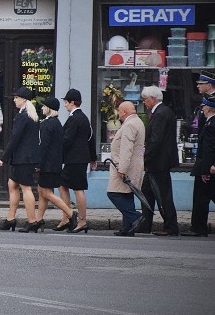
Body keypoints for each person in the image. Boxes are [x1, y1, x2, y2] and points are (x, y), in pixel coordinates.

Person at [136, 85, 179, 236]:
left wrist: (146, 158)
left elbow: (156, 140)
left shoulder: (160, 113)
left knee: (163, 195)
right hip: (157, 162)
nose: (144, 103)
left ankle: (171, 226)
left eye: (145, 99)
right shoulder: (162, 111)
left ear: (153, 99)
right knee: (146, 192)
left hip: (158, 162)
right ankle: (145, 223)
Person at [0, 87, 40, 231]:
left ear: (24, 100)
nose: (14, 100)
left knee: (26, 188)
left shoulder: (23, 116)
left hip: (23, 158)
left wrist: (4, 157)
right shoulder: (30, 115)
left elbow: (15, 139)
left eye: (16, 98)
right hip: (24, 157)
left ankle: (32, 221)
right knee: (12, 185)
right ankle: (10, 218)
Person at [34, 97, 77, 231]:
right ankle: (38, 219)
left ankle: (70, 213)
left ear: (48, 108)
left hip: (48, 164)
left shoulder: (47, 124)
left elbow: (43, 146)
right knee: (41, 191)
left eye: (43, 106)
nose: (41, 108)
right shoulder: (56, 123)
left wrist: (38, 163)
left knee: (46, 193)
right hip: (54, 163)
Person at [58, 88, 97, 233]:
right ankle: (68, 217)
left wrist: (56, 153)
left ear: (72, 102)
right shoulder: (84, 117)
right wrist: (93, 158)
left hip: (74, 159)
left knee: (77, 188)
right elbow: (91, 138)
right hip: (80, 159)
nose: (64, 105)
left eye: (66, 102)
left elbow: (67, 140)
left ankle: (80, 220)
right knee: (65, 185)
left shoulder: (75, 118)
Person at [106, 101, 146, 236]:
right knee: (127, 195)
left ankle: (135, 217)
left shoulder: (129, 125)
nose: (119, 115)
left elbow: (126, 149)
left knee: (113, 193)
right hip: (134, 166)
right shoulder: (138, 122)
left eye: (119, 112)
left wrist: (122, 169)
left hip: (125, 167)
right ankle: (128, 227)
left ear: (123, 112)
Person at [183, 93, 215, 237]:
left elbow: (209, 149)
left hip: (206, 168)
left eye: (203, 106)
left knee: (201, 199)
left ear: (209, 108)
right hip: (207, 166)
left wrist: (206, 170)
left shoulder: (210, 125)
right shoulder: (209, 123)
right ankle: (198, 227)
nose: (202, 109)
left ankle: (198, 227)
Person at [191, 70, 215, 137]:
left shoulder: (212, 100)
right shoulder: (206, 98)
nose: (197, 86)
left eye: (201, 84)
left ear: (209, 85)